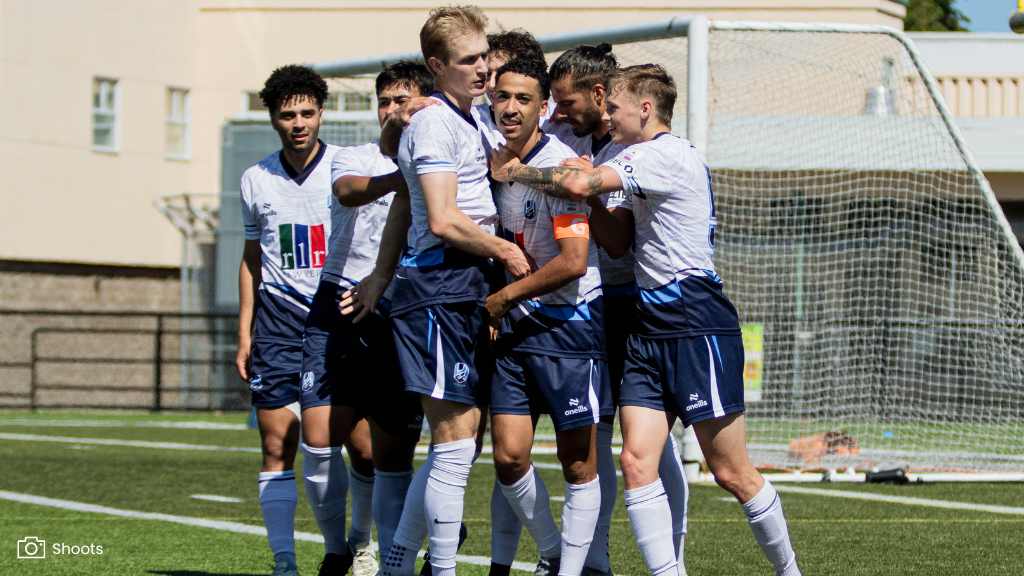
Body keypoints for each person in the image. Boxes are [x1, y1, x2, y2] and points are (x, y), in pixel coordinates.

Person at [491, 64, 801, 576]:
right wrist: (589, 190)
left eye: (613, 107)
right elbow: (617, 241)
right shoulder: (631, 158)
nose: (607, 116)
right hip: (646, 323)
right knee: (636, 462)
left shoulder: (664, 154)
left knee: (730, 471)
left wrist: (517, 171)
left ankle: (790, 570)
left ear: (644, 109)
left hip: (694, 319)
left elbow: (578, 181)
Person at [342, 6, 529, 576]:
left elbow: (409, 202)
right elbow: (443, 218)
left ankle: (401, 559)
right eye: (469, 61)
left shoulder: (465, 117)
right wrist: (503, 249)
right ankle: (431, 567)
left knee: (462, 440)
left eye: (484, 57)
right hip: (442, 281)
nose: (483, 70)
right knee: (452, 438)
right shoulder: (433, 123)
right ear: (436, 66)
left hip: (464, 282)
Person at [547, 45, 690, 576]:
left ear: (602, 95)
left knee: (655, 445)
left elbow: (616, 233)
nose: (558, 114)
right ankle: (596, 562)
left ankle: (674, 558)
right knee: (602, 435)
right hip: (601, 305)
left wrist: (524, 173)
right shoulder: (580, 138)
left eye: (566, 103)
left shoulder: (641, 150)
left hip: (649, 305)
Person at [298, 61, 437, 576]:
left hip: (400, 309)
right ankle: (341, 548)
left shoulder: (445, 159)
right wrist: (401, 174)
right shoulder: (352, 155)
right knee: (318, 435)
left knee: (384, 454)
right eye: (385, 102)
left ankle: (393, 550)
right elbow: (349, 192)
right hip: (337, 302)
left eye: (404, 101)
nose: (394, 111)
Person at [487, 57, 605, 576]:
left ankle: (575, 567)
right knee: (509, 457)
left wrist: (505, 295)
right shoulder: (485, 154)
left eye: (524, 99)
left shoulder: (560, 166)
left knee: (578, 461)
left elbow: (573, 262)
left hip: (568, 323)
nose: (510, 108)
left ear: (544, 107)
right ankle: (556, 553)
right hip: (515, 324)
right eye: (502, 96)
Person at [237, 64, 344, 576]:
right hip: (276, 325)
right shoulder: (255, 178)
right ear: (273, 120)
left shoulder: (344, 169)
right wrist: (244, 331)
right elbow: (251, 258)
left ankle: (343, 546)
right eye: (287, 115)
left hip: (332, 321)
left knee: (325, 445)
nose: (298, 122)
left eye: (306, 112)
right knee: (275, 444)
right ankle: (283, 562)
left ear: (321, 114)